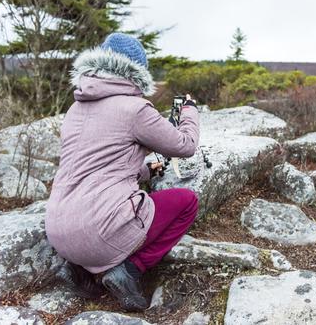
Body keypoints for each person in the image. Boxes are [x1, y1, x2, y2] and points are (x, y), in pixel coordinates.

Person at [45, 33, 200, 311]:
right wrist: (189, 111)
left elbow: (98, 167)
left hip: (57, 232)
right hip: (98, 232)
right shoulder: (135, 109)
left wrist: (147, 170)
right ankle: (128, 270)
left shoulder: (75, 108)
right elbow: (185, 145)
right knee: (187, 202)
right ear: (137, 71)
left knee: (105, 213)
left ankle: (81, 272)